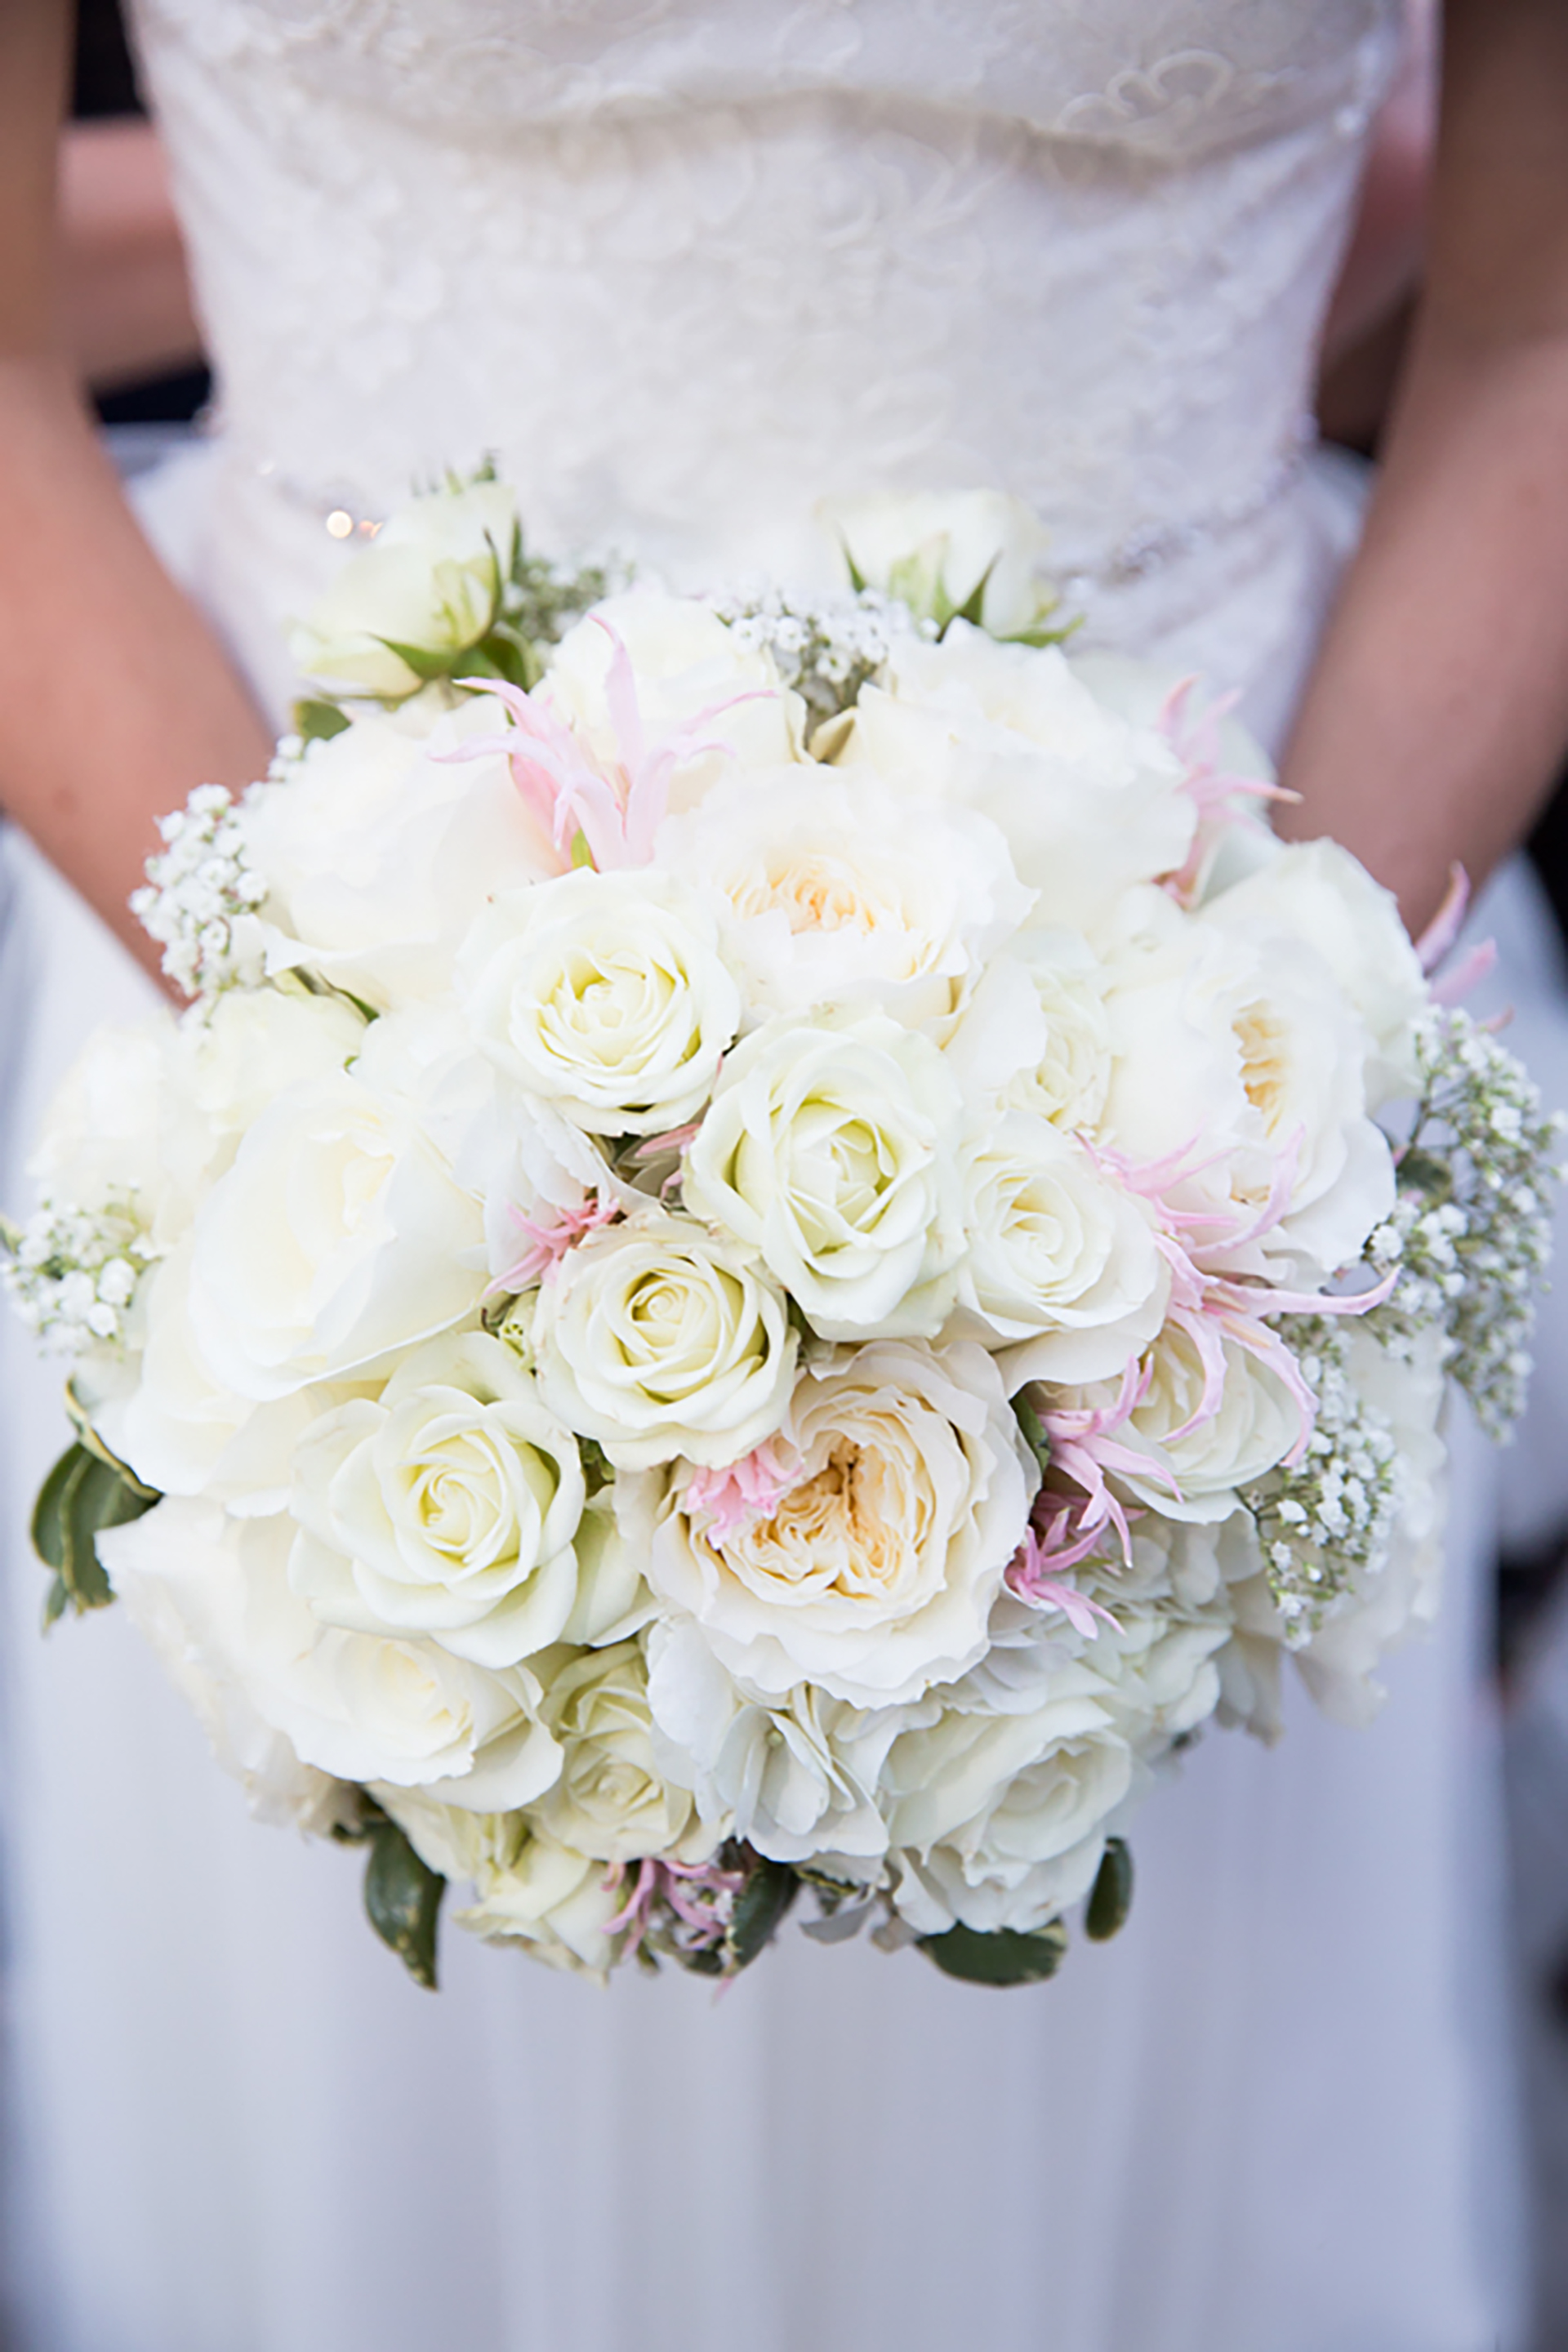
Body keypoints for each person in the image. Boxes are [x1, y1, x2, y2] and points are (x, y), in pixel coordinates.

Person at [1, 5, 1566, 2349]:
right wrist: (383, 1132)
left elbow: (1542, 320)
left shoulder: (1225, 1148)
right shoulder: (325, 1126)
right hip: (280, 1038)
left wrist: (1240, 1143)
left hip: (1198, 1071)